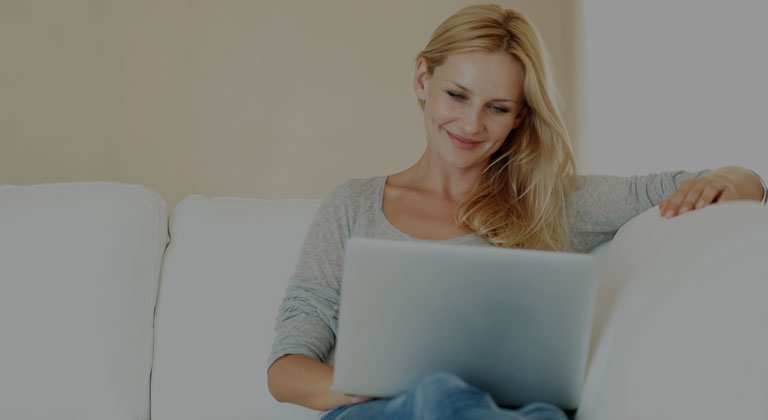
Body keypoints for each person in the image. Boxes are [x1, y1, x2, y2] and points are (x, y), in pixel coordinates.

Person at [266, 4, 768, 420]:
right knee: (440, 394)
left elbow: (728, 183)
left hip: (516, 414)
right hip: (382, 412)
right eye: (457, 95)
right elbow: (286, 372)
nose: (471, 123)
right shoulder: (352, 205)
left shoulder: (550, 202)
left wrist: (737, 181)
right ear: (423, 78)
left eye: (498, 107)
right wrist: (396, 392)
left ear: (520, 117)